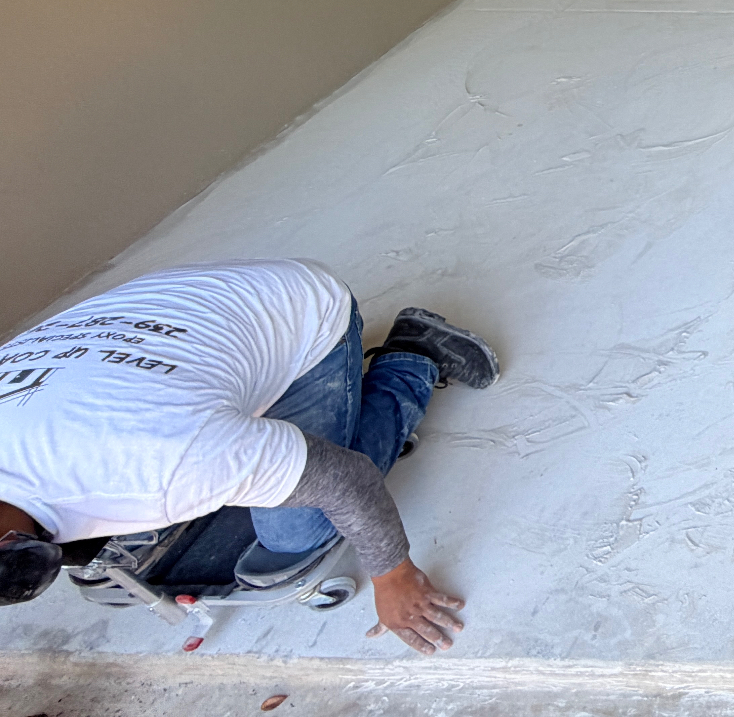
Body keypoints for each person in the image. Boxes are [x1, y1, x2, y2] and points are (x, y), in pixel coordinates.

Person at [0, 259, 498, 654]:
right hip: (148, 313)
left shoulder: (162, 462)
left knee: (295, 534)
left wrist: (393, 577)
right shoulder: (150, 455)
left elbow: (347, 479)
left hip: (293, 309)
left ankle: (412, 357)